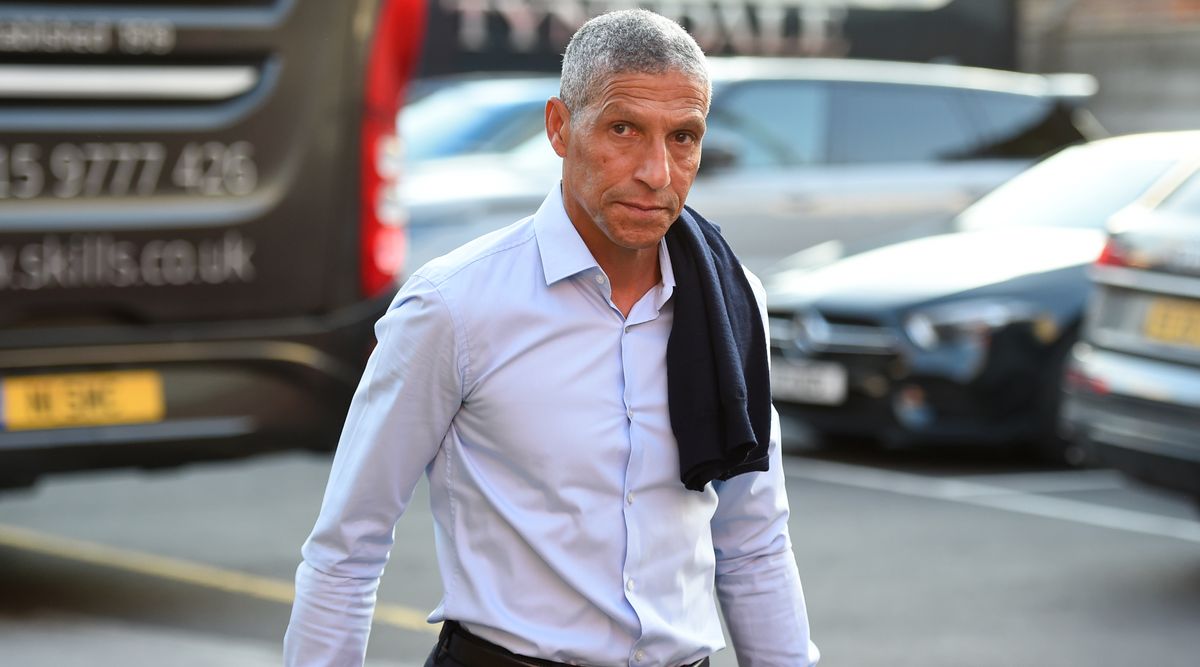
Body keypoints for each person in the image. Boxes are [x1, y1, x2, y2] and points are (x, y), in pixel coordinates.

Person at [284, 9, 819, 667]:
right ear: (560, 128)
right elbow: (348, 547)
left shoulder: (732, 302)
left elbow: (754, 540)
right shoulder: (454, 306)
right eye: (624, 129)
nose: (657, 170)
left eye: (683, 137)